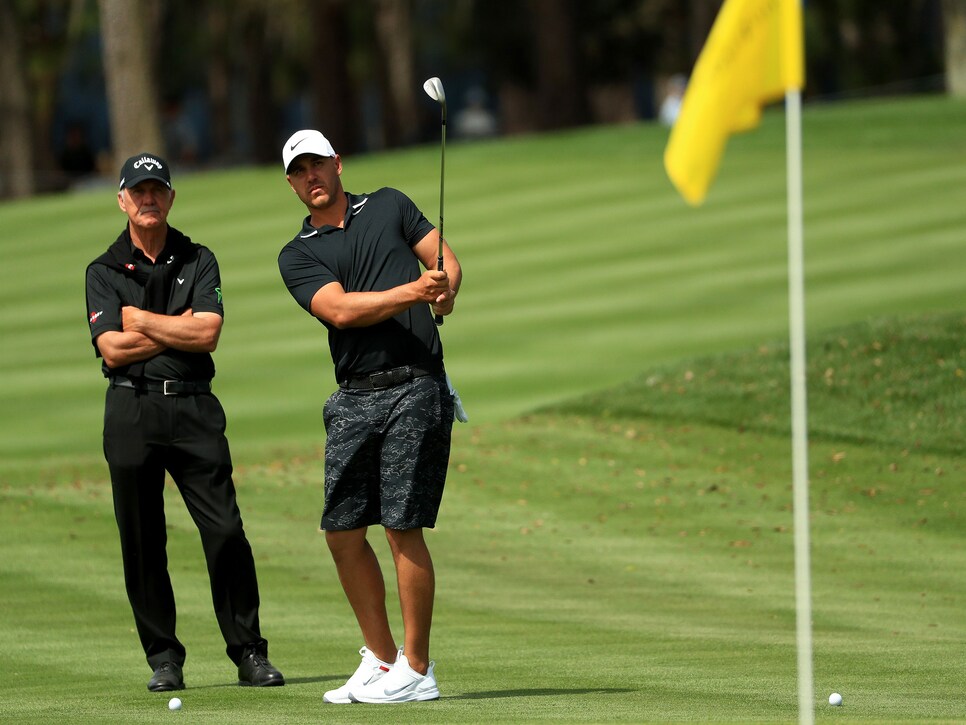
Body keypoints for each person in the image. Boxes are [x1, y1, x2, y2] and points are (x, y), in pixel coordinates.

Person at [84, 152, 284, 692]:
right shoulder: (103, 271)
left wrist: (144, 322)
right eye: (138, 191)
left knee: (225, 530)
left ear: (171, 197)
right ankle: (164, 660)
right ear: (123, 199)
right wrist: (179, 325)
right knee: (143, 540)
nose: (148, 200)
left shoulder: (199, 259)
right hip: (131, 409)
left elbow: (207, 335)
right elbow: (111, 348)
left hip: (195, 406)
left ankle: (248, 652)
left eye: (157, 191)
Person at [276, 130, 462, 704]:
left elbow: (444, 260)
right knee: (342, 532)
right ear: (290, 182)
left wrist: (445, 290)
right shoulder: (298, 253)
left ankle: (419, 668)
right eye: (298, 171)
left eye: (317, 165)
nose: (310, 177)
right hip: (354, 396)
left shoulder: (388, 203)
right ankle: (383, 661)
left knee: (401, 526)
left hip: (416, 384)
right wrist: (415, 291)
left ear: (337, 163)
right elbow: (341, 311)